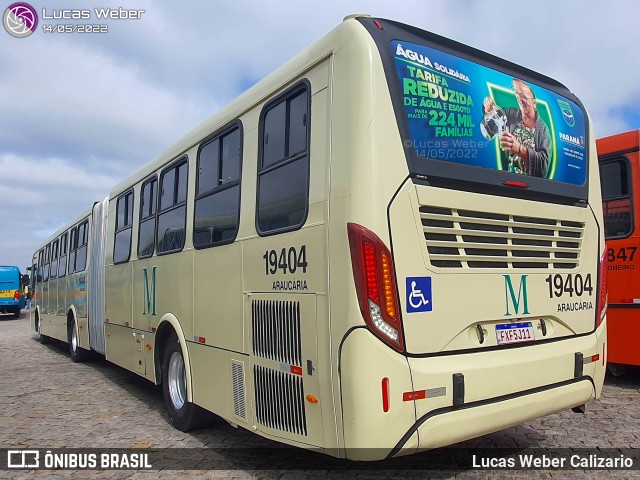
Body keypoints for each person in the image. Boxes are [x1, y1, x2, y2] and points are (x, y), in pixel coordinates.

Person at [482, 78, 550, 178]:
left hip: (531, 187)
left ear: (534, 103)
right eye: (517, 94)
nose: (520, 99)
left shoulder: (543, 130)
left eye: (523, 96)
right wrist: (489, 109)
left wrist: (519, 149)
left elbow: (543, 166)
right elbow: (496, 117)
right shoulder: (512, 113)